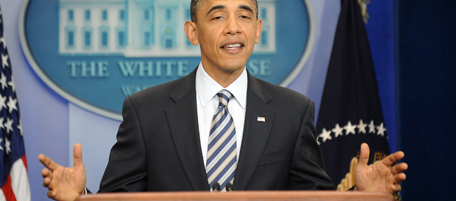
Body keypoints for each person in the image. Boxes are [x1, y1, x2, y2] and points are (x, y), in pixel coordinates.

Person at [39, 0, 408, 200]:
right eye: (218, 15)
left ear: (258, 30)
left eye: (244, 15)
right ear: (192, 31)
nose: (234, 27)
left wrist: (361, 199)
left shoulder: (293, 112)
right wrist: (80, 199)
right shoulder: (145, 111)